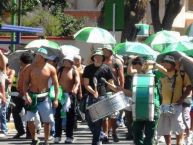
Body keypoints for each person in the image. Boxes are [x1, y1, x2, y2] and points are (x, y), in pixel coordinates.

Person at [23, 48, 59, 145]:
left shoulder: (51, 68)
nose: (36, 56)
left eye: (38, 55)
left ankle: (46, 140)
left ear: (43, 57)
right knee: (29, 119)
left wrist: (56, 99)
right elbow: (25, 82)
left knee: (47, 120)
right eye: (36, 55)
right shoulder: (30, 67)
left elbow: (56, 85)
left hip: (45, 97)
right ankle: (34, 138)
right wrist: (26, 95)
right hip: (32, 96)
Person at [126, 56, 164, 145]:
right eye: (133, 64)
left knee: (149, 133)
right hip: (138, 106)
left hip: (152, 106)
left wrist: (154, 64)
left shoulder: (153, 74)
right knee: (136, 131)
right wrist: (130, 61)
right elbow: (129, 71)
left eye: (136, 64)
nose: (134, 66)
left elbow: (165, 72)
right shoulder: (136, 76)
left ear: (142, 65)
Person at [83, 48, 117, 145]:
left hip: (102, 96)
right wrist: (93, 92)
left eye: (99, 56)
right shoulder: (88, 68)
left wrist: (117, 90)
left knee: (98, 120)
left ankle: (96, 141)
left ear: (102, 58)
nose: (97, 58)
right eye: (96, 56)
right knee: (89, 119)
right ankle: (101, 135)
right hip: (91, 96)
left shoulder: (106, 68)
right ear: (93, 58)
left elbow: (110, 83)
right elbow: (86, 84)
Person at [157, 55, 192, 145]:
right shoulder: (162, 74)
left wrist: (182, 99)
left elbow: (189, 87)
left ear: (172, 64)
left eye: (167, 62)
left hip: (176, 105)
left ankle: (179, 143)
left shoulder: (181, 74)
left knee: (179, 128)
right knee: (165, 129)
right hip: (164, 105)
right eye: (164, 62)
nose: (165, 64)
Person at [54, 55, 80, 144]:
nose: (65, 62)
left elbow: (77, 81)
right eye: (64, 61)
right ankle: (57, 135)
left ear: (71, 62)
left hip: (70, 95)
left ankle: (69, 136)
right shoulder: (60, 70)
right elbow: (55, 81)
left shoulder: (74, 70)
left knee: (70, 117)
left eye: (67, 61)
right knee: (58, 116)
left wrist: (76, 88)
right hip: (60, 95)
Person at [102, 45, 125, 143]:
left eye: (106, 50)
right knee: (104, 115)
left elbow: (121, 75)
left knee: (113, 115)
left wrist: (121, 88)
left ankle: (114, 132)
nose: (104, 52)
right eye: (103, 50)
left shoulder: (116, 62)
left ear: (110, 51)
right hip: (102, 90)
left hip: (114, 90)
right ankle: (105, 134)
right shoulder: (101, 61)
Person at [0, 51, 8, 137]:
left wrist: (3, 97)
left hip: (1, 96)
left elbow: (2, 86)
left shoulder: (2, 72)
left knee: (2, 113)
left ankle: (4, 130)